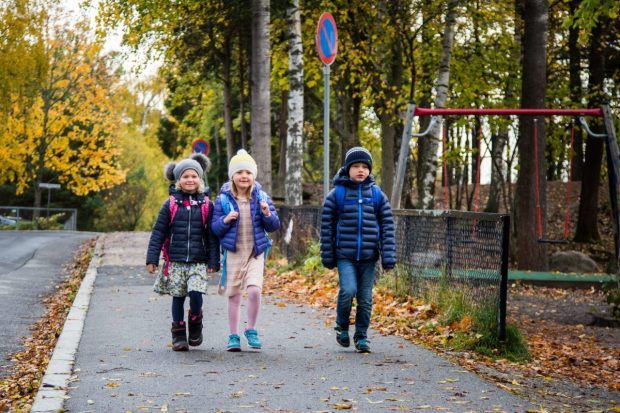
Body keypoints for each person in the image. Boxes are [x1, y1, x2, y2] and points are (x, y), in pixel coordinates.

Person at [320, 147, 396, 353]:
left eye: (365, 166)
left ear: (370, 170)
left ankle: (361, 336)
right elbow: (326, 227)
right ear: (347, 169)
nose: (361, 170)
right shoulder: (337, 194)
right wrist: (327, 255)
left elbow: (387, 226)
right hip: (345, 255)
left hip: (369, 256)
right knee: (347, 291)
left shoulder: (377, 195)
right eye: (356, 166)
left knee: (365, 298)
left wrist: (388, 257)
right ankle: (342, 326)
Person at [146, 153, 220, 351]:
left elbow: (212, 236)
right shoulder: (170, 204)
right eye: (186, 176)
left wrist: (214, 260)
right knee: (177, 297)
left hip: (198, 260)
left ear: (200, 179)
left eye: (194, 176)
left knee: (196, 293)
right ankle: (179, 334)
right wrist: (152, 258)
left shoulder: (207, 204)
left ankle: (195, 322)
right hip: (175, 260)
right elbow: (158, 232)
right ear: (179, 180)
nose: (190, 180)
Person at [211, 149, 280, 352]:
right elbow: (215, 228)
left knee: (254, 291)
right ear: (232, 175)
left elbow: (274, 225)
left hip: (255, 253)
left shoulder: (262, 197)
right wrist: (225, 219)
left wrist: (267, 213)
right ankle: (233, 335)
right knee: (234, 296)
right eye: (240, 172)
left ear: (253, 176)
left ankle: (251, 329)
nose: (244, 176)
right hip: (233, 253)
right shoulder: (223, 199)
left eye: (248, 172)